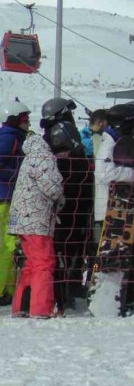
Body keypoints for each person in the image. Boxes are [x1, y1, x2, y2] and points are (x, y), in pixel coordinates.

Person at [94, 103, 134, 307]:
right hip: (112, 209)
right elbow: (103, 173)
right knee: (116, 254)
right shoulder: (109, 142)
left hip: (129, 206)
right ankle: (111, 294)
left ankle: (128, 290)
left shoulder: (125, 141)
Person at [41, 97, 93, 313]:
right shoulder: (57, 137)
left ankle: (71, 285)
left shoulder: (62, 135)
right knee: (64, 247)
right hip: (68, 201)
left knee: (73, 245)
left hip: (76, 199)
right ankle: (64, 291)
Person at [8, 132, 64, 318]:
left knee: (31, 263)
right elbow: (52, 188)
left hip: (23, 218)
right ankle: (41, 308)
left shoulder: (32, 153)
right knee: (44, 263)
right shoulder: (44, 156)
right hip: (36, 218)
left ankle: (21, 306)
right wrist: (61, 196)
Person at [0, 97, 31, 306]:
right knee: (7, 244)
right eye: (24, 119)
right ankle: (4, 289)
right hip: (6, 199)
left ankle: (8, 287)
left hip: (8, 197)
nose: (27, 123)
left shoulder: (14, 137)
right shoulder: (10, 138)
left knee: (9, 244)